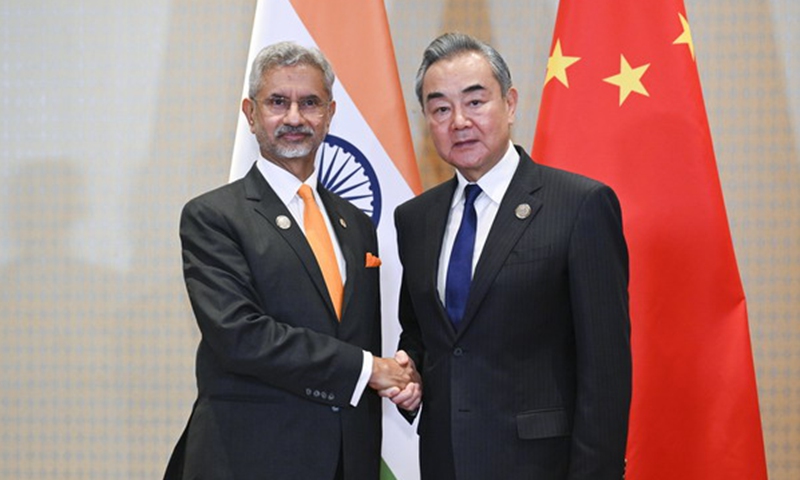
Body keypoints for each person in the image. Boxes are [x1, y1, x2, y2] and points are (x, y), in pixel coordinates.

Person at [165, 41, 419, 480]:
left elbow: (355, 332)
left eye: (310, 103)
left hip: (348, 459)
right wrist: (368, 369)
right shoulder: (214, 217)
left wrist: (403, 376)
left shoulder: (355, 222)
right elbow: (240, 337)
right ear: (250, 112)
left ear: (330, 113)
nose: (295, 118)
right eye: (278, 102)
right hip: (251, 458)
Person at [393, 33, 631, 479]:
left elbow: (607, 370)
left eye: (475, 102)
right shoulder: (415, 219)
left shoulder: (579, 205)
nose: (459, 121)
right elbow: (424, 334)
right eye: (441, 108)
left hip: (541, 466)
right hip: (445, 462)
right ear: (426, 119)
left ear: (510, 103)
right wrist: (411, 370)